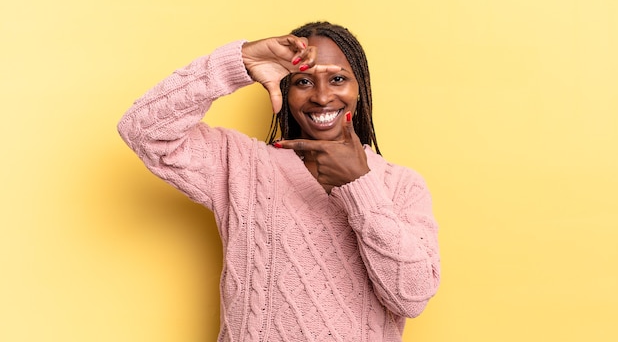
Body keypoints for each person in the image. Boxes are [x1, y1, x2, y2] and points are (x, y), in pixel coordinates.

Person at [118, 21, 440, 342]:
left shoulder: (403, 185)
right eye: (303, 81)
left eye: (338, 79)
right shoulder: (241, 164)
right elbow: (142, 129)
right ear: (286, 89)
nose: (323, 96)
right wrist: (240, 62)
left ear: (360, 88)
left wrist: (360, 185)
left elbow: (411, 297)